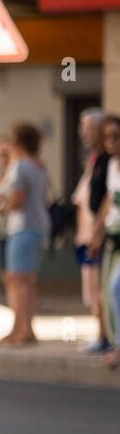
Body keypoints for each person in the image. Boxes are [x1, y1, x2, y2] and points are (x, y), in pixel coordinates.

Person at [0, 123, 50, 345]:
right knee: (25, 280)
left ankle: (23, 330)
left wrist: (1, 205)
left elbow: (17, 199)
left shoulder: (22, 166)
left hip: (23, 226)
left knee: (18, 280)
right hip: (35, 226)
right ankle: (22, 327)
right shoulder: (38, 165)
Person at [73, 108, 110, 353]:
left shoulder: (107, 161)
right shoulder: (93, 160)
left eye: (88, 127)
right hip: (86, 234)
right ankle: (102, 335)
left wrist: (97, 232)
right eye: (82, 127)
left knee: (102, 288)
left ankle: (105, 336)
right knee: (93, 287)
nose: (83, 133)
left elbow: (107, 200)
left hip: (99, 234)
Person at [88, 115, 120, 368]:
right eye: (107, 137)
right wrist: (97, 232)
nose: (111, 142)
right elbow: (108, 200)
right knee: (109, 290)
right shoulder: (110, 164)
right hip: (113, 235)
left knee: (116, 288)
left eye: (116, 136)